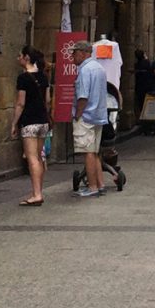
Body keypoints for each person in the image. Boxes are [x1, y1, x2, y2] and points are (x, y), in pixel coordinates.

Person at [11, 45, 50, 205]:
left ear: (27, 58)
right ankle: (38, 190)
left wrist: (14, 123)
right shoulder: (43, 76)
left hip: (29, 121)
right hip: (43, 121)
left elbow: (20, 103)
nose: (18, 58)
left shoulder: (23, 78)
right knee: (39, 157)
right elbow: (47, 100)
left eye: (20, 55)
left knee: (32, 158)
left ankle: (37, 194)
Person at [71, 40, 108, 197]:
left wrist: (78, 114)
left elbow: (83, 96)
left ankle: (92, 187)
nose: (72, 57)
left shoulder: (85, 70)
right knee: (94, 152)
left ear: (81, 53)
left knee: (88, 152)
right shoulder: (99, 68)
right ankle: (100, 184)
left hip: (86, 116)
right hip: (98, 115)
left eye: (74, 53)